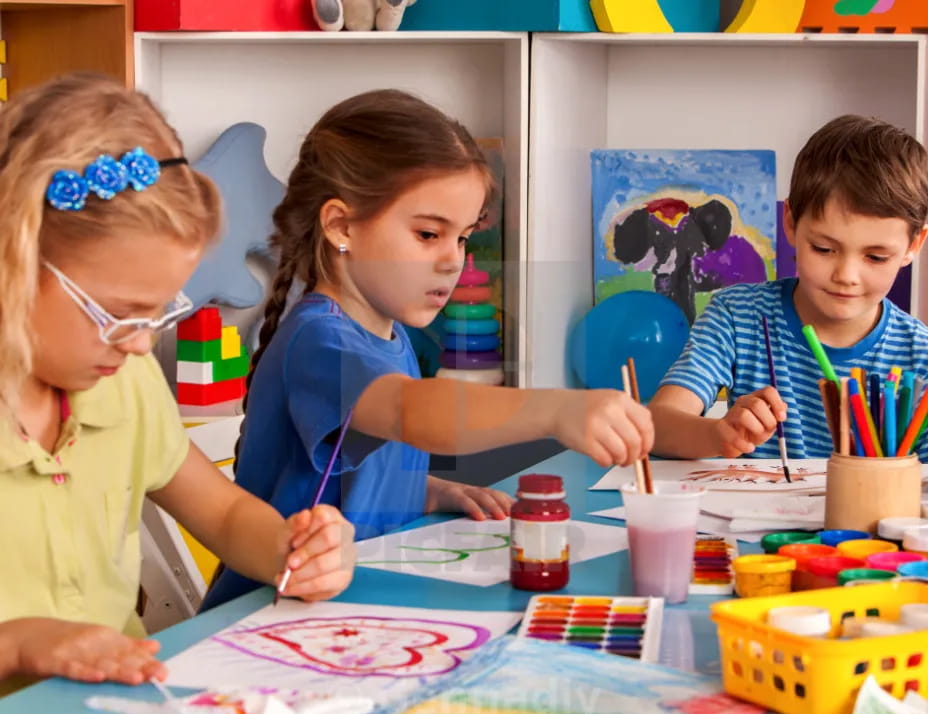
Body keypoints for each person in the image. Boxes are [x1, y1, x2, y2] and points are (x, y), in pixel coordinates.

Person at [202, 89, 655, 609]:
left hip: (353, 603)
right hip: (267, 615)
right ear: (341, 226)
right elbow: (407, 410)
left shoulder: (390, 337)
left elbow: (347, 476)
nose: (452, 261)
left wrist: (431, 490)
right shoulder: (319, 341)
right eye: (427, 234)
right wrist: (557, 408)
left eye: (462, 238)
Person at [0, 73, 356, 693]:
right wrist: (18, 644)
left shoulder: (123, 381)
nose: (142, 344)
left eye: (159, 313)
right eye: (117, 312)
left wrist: (291, 549)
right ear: (14, 256)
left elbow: (221, 513)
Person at [650, 114, 928, 461]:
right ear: (792, 224)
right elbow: (659, 425)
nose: (846, 275)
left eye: (875, 257)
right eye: (825, 249)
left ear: (914, 246)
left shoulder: (921, 354)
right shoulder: (737, 316)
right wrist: (719, 434)